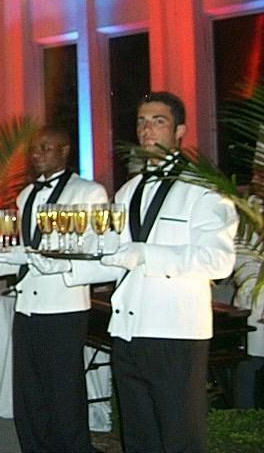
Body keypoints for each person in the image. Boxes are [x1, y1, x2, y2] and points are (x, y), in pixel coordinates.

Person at [60, 91, 238, 452]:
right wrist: (64, 266)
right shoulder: (127, 191)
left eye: (159, 121)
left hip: (175, 333)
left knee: (181, 439)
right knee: (139, 439)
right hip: (127, 331)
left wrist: (148, 254)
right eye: (142, 121)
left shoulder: (203, 189)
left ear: (180, 131)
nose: (147, 129)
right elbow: (117, 257)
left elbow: (218, 261)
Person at [0, 125, 108, 451]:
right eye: (34, 149)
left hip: (64, 306)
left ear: (64, 150)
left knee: (64, 393)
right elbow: (26, 249)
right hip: (27, 305)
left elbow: (96, 249)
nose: (37, 154)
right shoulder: (26, 195)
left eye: (45, 148)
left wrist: (59, 264)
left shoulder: (89, 192)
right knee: (29, 392)